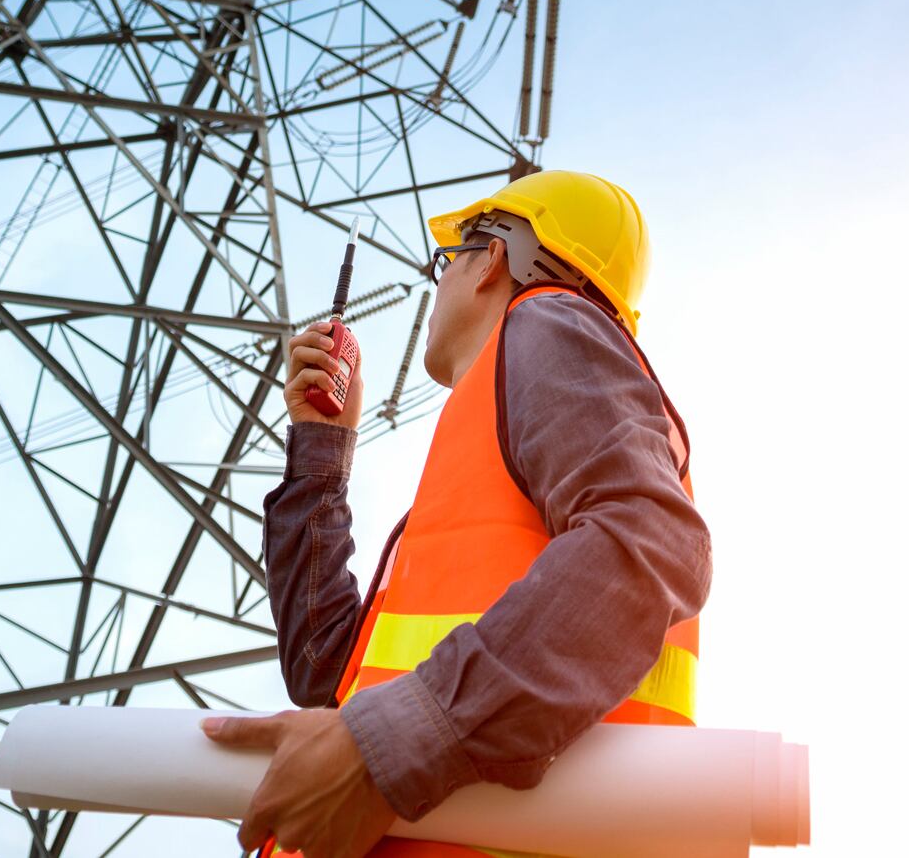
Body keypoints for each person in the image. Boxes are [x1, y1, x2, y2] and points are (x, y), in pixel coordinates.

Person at [201, 171, 712, 858]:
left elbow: (650, 542)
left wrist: (395, 742)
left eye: (446, 260)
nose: (438, 283)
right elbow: (327, 673)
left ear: (491, 257)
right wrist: (322, 448)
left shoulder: (548, 320)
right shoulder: (494, 438)